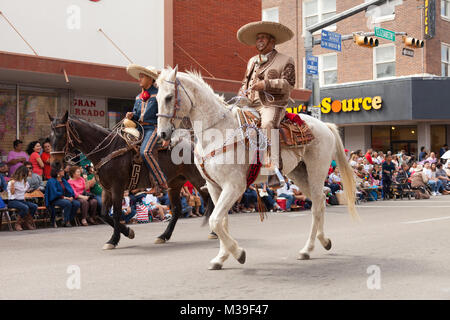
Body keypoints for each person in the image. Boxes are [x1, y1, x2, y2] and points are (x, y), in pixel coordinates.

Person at [236, 20, 295, 188]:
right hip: (248, 103)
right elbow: (244, 83)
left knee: (268, 123)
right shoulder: (252, 61)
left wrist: (266, 85)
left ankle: (274, 170)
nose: (259, 40)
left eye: (263, 38)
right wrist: (241, 92)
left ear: (272, 41)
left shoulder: (285, 59)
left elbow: (289, 84)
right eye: (258, 38)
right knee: (229, 119)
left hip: (271, 104)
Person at [125, 64, 168, 191]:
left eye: (142, 77)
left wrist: (167, 135)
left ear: (150, 79)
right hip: (139, 129)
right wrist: (131, 116)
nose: (139, 79)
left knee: (146, 152)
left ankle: (161, 181)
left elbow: (166, 115)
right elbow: (137, 116)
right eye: (139, 77)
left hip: (153, 128)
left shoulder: (160, 95)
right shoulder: (138, 97)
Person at [45, 163, 81, 227]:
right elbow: (54, 193)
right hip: (55, 199)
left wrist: (71, 197)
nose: (63, 171)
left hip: (65, 198)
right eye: (61, 170)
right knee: (67, 203)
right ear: (57, 172)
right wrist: (65, 198)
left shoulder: (64, 180)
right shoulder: (51, 181)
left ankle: (68, 219)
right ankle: (66, 221)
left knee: (77, 203)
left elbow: (70, 190)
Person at [7, 165, 37, 231]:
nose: (26, 176)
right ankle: (18, 224)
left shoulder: (25, 182)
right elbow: (12, 193)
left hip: (21, 200)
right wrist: (12, 185)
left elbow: (25, 190)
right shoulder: (12, 182)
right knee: (25, 207)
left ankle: (27, 222)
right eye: (25, 174)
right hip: (12, 201)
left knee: (34, 206)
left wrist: (29, 190)